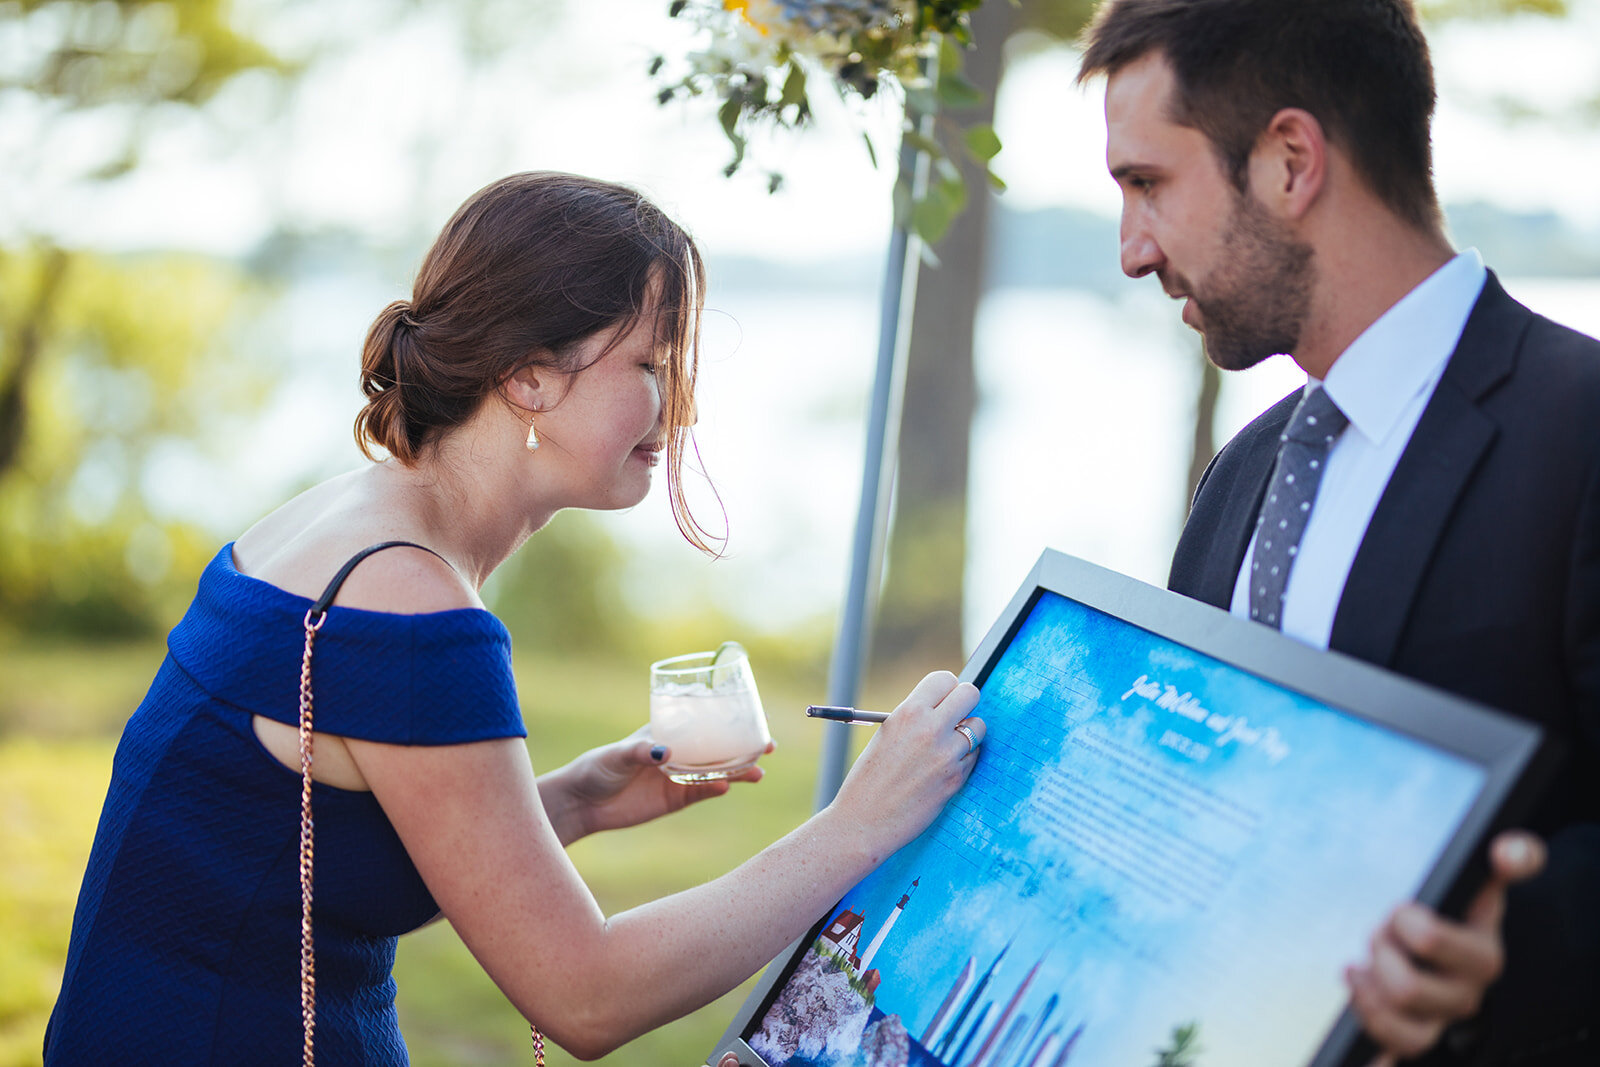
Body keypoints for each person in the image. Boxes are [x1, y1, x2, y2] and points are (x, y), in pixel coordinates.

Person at [43, 171, 986, 1065]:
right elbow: (586, 997)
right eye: (652, 363)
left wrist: (572, 800)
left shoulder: (339, 522)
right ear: (529, 378)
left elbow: (289, 851)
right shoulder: (406, 602)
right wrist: (858, 825)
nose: (677, 406)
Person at [1074, 1, 1600, 1064]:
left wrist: (1512, 950)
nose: (1133, 252)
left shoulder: (1583, 429)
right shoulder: (1240, 476)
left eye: (1145, 184)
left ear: (1288, 160)